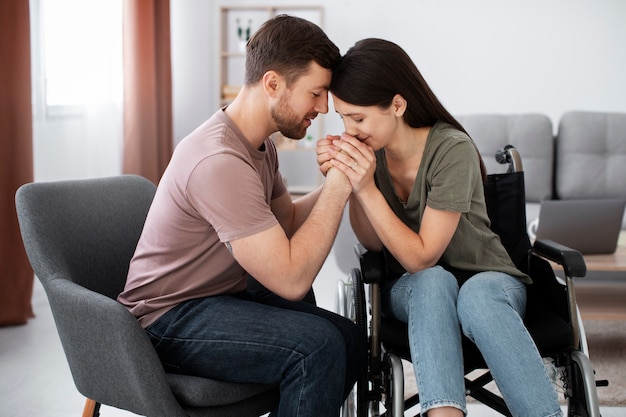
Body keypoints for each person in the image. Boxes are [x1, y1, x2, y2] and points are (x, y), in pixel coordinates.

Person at [118, 15, 366, 417]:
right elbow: (289, 278)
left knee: (350, 340)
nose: (323, 107)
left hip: (217, 294)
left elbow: (284, 225)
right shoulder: (220, 160)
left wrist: (342, 181)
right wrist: (338, 187)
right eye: (316, 93)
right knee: (317, 347)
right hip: (167, 319)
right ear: (272, 84)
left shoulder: (259, 145)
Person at [316, 38, 562, 417]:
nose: (349, 130)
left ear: (397, 105)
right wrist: (350, 184)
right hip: (415, 290)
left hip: (489, 281)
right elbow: (371, 242)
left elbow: (421, 254)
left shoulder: (452, 149)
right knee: (433, 281)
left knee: (471, 293)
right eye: (343, 118)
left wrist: (365, 185)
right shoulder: (371, 153)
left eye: (358, 118)